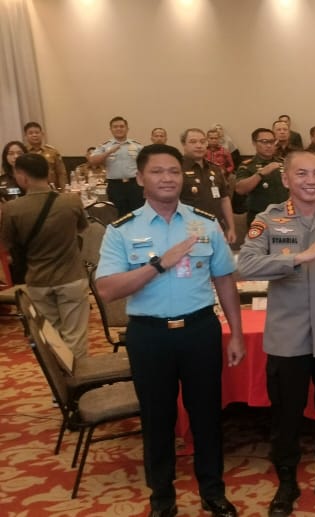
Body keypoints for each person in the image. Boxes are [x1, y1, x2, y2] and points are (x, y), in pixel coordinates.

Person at [93, 144, 245, 517]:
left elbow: (225, 280)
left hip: (199, 330)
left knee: (207, 417)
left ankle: (213, 492)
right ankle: (162, 499)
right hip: (149, 336)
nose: (167, 178)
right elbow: (107, 289)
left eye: (174, 171)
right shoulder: (122, 230)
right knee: (157, 419)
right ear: (140, 178)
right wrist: (159, 264)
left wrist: (237, 333)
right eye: (157, 171)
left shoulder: (204, 223)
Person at [237, 151, 315, 514]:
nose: (311, 180)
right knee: (286, 416)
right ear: (286, 180)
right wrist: (296, 258)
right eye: (302, 174)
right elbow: (244, 265)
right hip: (288, 337)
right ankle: (287, 483)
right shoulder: (269, 220)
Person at [0, 153, 90, 357]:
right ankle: (80, 375)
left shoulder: (12, 209)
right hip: (71, 276)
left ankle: (60, 376)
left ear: (22, 176)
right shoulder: (71, 201)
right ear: (48, 173)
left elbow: (5, 245)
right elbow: (82, 229)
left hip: (38, 280)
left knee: (51, 337)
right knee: (76, 336)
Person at [179, 128, 235, 243]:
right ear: (184, 145)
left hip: (216, 228)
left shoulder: (215, 169)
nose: (199, 145)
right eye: (193, 142)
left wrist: (231, 227)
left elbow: (224, 199)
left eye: (202, 141)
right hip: (188, 230)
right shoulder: (177, 169)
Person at [88, 116, 145, 216]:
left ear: (127, 129)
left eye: (122, 126)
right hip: (115, 186)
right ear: (111, 129)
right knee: (118, 215)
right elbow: (92, 161)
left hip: (135, 184)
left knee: (138, 214)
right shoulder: (105, 146)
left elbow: (147, 164)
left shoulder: (137, 146)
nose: (119, 129)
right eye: (115, 127)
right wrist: (109, 152)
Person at [233, 128, 288, 217]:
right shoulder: (248, 165)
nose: (269, 145)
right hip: (259, 215)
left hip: (284, 213)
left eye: (272, 141)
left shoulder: (283, 162)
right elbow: (240, 190)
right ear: (254, 143)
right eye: (264, 142)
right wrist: (260, 173)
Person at [22, 122, 67, 190]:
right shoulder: (23, 152)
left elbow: (61, 173)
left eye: (37, 132)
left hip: (52, 189)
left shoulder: (52, 152)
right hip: (30, 190)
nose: (34, 135)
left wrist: (64, 190)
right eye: (31, 133)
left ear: (42, 134)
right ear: (25, 136)